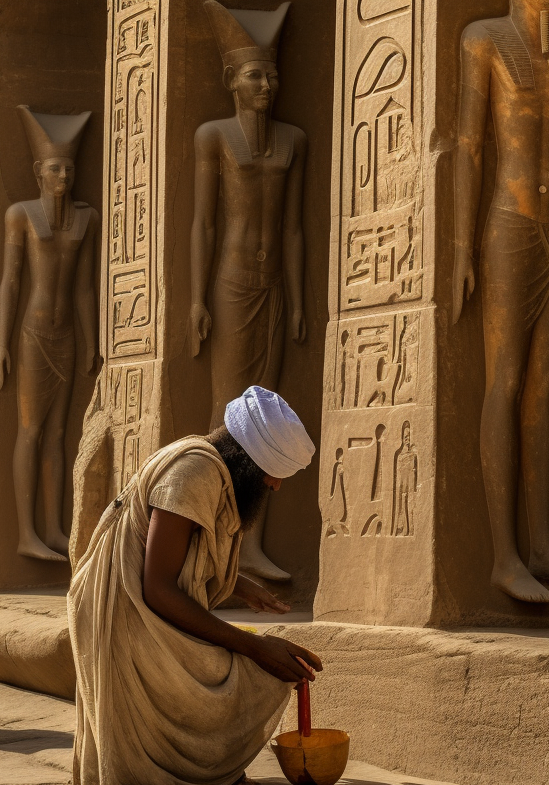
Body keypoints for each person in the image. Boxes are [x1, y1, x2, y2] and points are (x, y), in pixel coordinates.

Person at [69, 386, 323, 785]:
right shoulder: (194, 473)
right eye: (272, 474)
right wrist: (256, 647)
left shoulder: (208, 466)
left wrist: (240, 586)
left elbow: (182, 552)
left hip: (138, 600)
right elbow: (158, 589)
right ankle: (185, 770)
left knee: (245, 660)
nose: (275, 487)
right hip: (124, 610)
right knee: (244, 668)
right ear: (247, 460)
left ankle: (195, 767)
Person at [452, 0, 549, 603]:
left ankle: (543, 545)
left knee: (544, 389)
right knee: (507, 382)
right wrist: (463, 248)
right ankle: (504, 556)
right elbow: (469, 148)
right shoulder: (484, 40)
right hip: (508, 227)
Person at [189, 0, 308, 582]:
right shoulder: (213, 136)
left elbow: (293, 228)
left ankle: (249, 542)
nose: (267, 84)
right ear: (231, 80)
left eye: (272, 74)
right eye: (255, 74)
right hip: (231, 283)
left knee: (269, 419)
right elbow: (204, 225)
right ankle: (212, 532)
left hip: (273, 286)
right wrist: (195, 298)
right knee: (227, 413)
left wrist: (302, 300)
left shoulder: (292, 141)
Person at [0, 105, 99, 563]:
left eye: (70, 168)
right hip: (33, 334)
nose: (64, 176)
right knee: (31, 430)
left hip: (66, 336)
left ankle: (55, 528)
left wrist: (93, 341)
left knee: (58, 432)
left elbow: (84, 288)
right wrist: (1, 343)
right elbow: (11, 283)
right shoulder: (20, 214)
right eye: (56, 168)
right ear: (39, 170)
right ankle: (25, 532)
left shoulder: (85, 219)